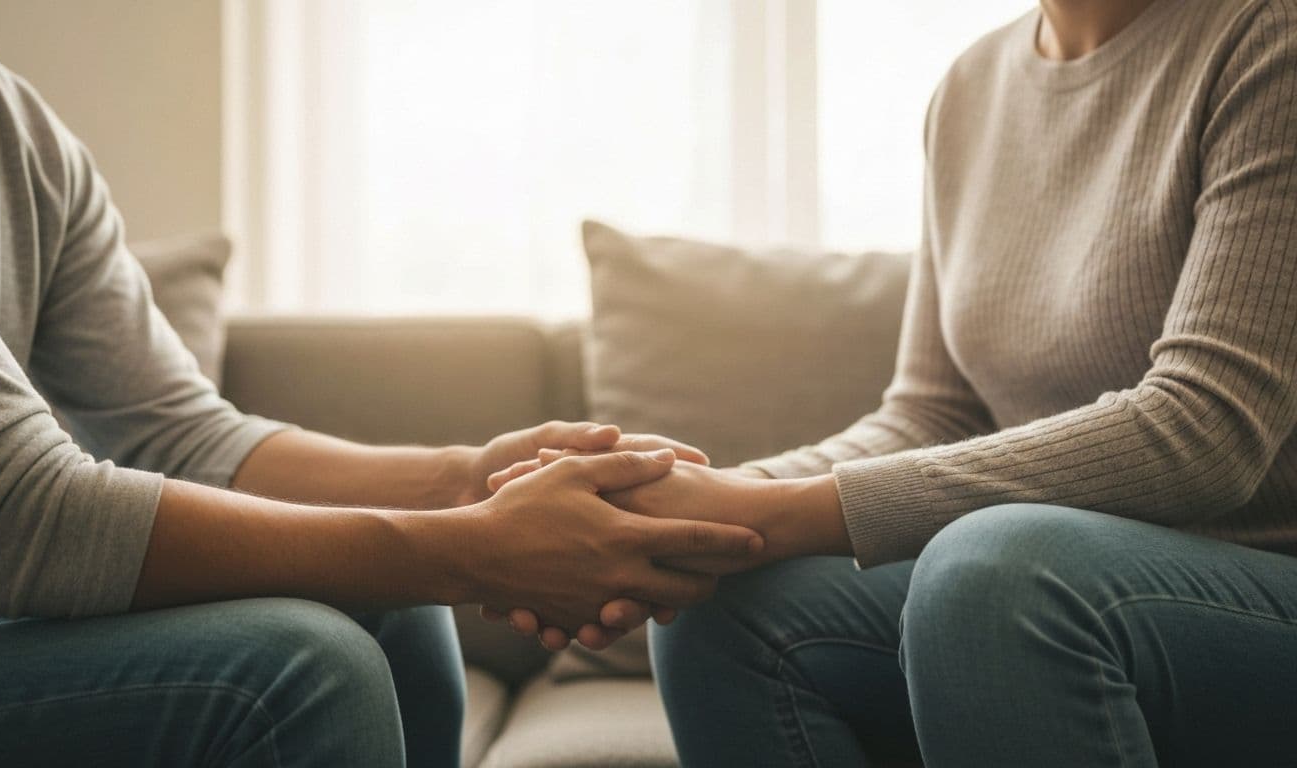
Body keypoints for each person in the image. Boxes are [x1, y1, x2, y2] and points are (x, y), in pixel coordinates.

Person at [0, 2, 766, 766]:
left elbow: (184, 435)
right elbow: (16, 517)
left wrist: (474, 483)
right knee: (302, 671)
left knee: (396, 610)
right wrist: (473, 547)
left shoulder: (22, 134)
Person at [490, 0, 1297, 765]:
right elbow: (931, 411)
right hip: (1068, 584)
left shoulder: (1268, 43)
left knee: (994, 574)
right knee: (721, 602)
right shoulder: (973, 89)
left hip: (1258, 584)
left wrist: (769, 512)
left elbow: (1207, 433)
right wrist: (703, 505)